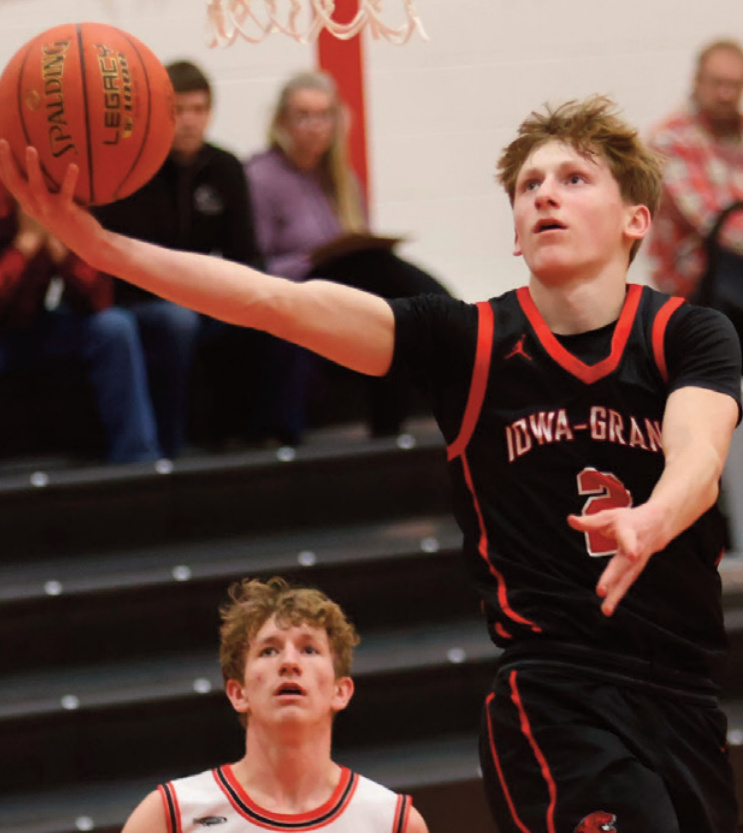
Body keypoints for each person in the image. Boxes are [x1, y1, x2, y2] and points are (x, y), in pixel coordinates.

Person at [2, 93, 740, 832]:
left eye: (573, 179)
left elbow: (699, 452)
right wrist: (102, 248)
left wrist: (655, 515)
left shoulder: (687, 333)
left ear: (634, 219)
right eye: (527, 185)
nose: (544, 192)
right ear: (515, 233)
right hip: (557, 693)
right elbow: (272, 301)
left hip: (684, 691)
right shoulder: (468, 341)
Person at [120, 576, 429, 833]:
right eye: (269, 651)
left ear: (341, 690)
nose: (289, 663)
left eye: (309, 649)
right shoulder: (171, 815)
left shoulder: (393, 823)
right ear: (238, 693)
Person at [245, 70, 451, 437]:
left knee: (392, 304)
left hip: (349, 285)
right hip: (299, 288)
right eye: (303, 115)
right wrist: (313, 258)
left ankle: (392, 428)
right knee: (384, 275)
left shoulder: (340, 176)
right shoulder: (260, 176)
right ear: (282, 121)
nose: (314, 126)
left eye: (323, 115)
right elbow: (255, 267)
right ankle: (446, 312)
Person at [94, 60, 266, 455]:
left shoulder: (225, 167)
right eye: (178, 111)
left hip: (202, 292)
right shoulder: (129, 170)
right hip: (141, 300)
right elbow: (124, 263)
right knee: (177, 321)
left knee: (277, 306)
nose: (189, 121)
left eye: (199, 110)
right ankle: (172, 448)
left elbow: (246, 254)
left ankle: (266, 436)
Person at [0, 182, 160, 463]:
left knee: (114, 327)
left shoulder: (60, 198)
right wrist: (24, 246)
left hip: (39, 324)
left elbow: (99, 299)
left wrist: (60, 248)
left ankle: (138, 461)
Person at [647, 39, 743, 341]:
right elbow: (715, 223)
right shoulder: (671, 141)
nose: (726, 94)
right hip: (696, 278)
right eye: (717, 83)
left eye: (735, 85)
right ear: (697, 82)